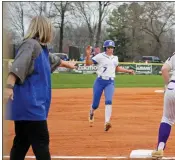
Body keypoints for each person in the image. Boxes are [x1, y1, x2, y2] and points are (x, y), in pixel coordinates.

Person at [4, 16, 76, 160]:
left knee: (21, 142)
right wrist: (8, 87)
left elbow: (54, 60)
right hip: (32, 105)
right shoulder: (31, 45)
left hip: (27, 106)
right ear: (44, 29)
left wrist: (69, 64)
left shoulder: (41, 50)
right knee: (41, 142)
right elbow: (18, 66)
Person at [85, 40, 135, 131]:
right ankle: (92, 111)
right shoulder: (100, 56)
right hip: (99, 81)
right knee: (95, 105)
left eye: (112, 48)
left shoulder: (115, 58)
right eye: (109, 47)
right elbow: (88, 64)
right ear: (105, 48)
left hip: (110, 82)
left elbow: (117, 68)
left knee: (108, 100)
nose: (110, 49)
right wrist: (88, 55)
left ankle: (107, 122)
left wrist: (128, 71)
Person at [152, 53, 175, 159]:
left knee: (167, 119)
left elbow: (164, 69)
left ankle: (160, 148)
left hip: (172, 87)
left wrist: (167, 85)